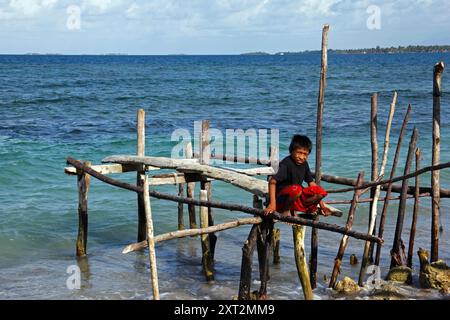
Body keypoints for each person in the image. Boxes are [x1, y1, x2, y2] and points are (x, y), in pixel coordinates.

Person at [264, 134, 332, 217]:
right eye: (299, 153)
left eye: (305, 154)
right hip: (282, 198)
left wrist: (322, 206)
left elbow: (312, 184)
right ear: (291, 151)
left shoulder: (305, 164)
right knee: (297, 189)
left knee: (321, 191)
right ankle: (286, 211)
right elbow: (272, 182)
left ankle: (305, 208)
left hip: (296, 196)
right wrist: (272, 204)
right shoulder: (286, 163)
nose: (302, 157)